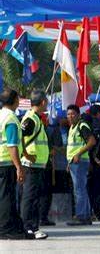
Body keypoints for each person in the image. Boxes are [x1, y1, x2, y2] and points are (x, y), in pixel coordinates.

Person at [0, 88, 34, 240]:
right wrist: (19, 167)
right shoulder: (11, 119)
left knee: (4, 196)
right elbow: (12, 145)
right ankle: (7, 229)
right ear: (14, 101)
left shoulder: (1, 115)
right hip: (6, 162)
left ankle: (13, 227)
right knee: (7, 197)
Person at [20, 90, 50, 239]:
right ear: (43, 102)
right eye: (47, 101)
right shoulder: (31, 119)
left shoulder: (37, 118)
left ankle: (32, 226)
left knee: (34, 197)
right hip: (31, 165)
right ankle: (28, 228)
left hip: (37, 165)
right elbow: (19, 138)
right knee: (30, 197)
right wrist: (26, 154)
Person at [66, 104, 96, 226]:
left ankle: (81, 216)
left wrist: (78, 154)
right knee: (81, 189)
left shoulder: (81, 126)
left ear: (78, 114)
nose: (70, 116)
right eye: (68, 114)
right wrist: (70, 162)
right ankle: (86, 215)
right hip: (75, 162)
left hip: (79, 162)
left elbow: (92, 141)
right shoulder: (73, 127)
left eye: (73, 114)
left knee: (79, 190)